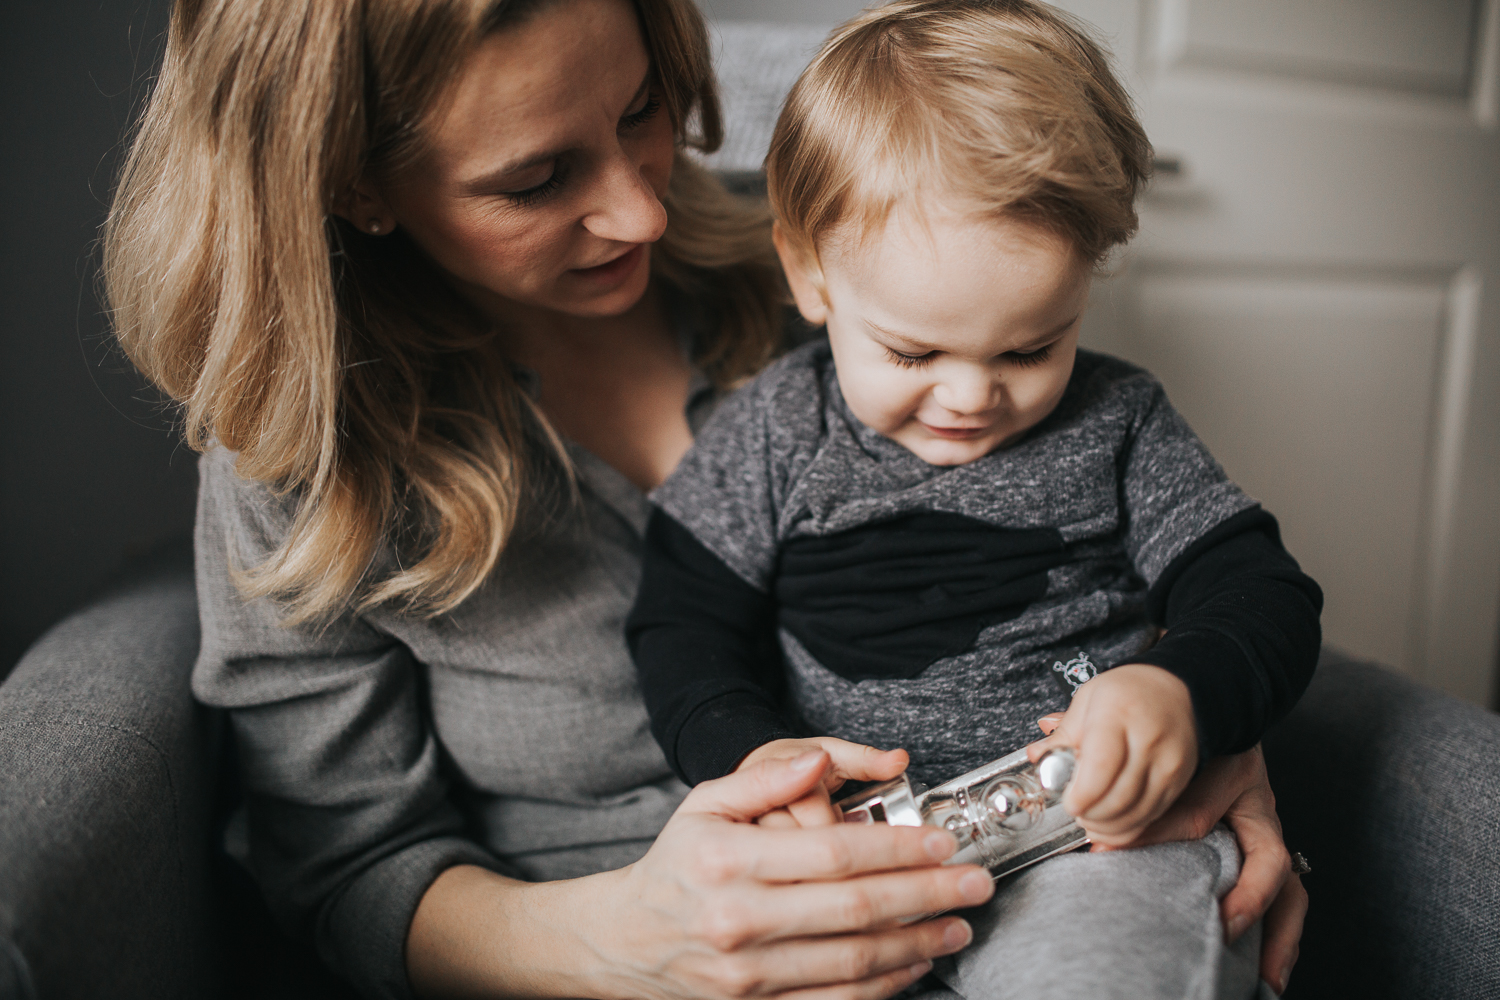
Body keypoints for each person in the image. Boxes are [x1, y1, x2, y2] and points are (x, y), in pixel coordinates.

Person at [100, 0, 1308, 997]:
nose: (645, 207)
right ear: (358, 186)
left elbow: (1193, 575)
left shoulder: (870, 280)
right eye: (532, 179)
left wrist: (1208, 707)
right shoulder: (302, 454)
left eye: (641, 111)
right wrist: (630, 941)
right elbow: (341, 867)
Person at [626, 2, 1321, 997]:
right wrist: (753, 759)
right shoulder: (773, 430)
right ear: (807, 272)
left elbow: (1260, 592)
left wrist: (1183, 690)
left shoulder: (1120, 418)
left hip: (1100, 840)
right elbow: (680, 626)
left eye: (1032, 346)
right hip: (858, 859)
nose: (970, 395)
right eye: (912, 350)